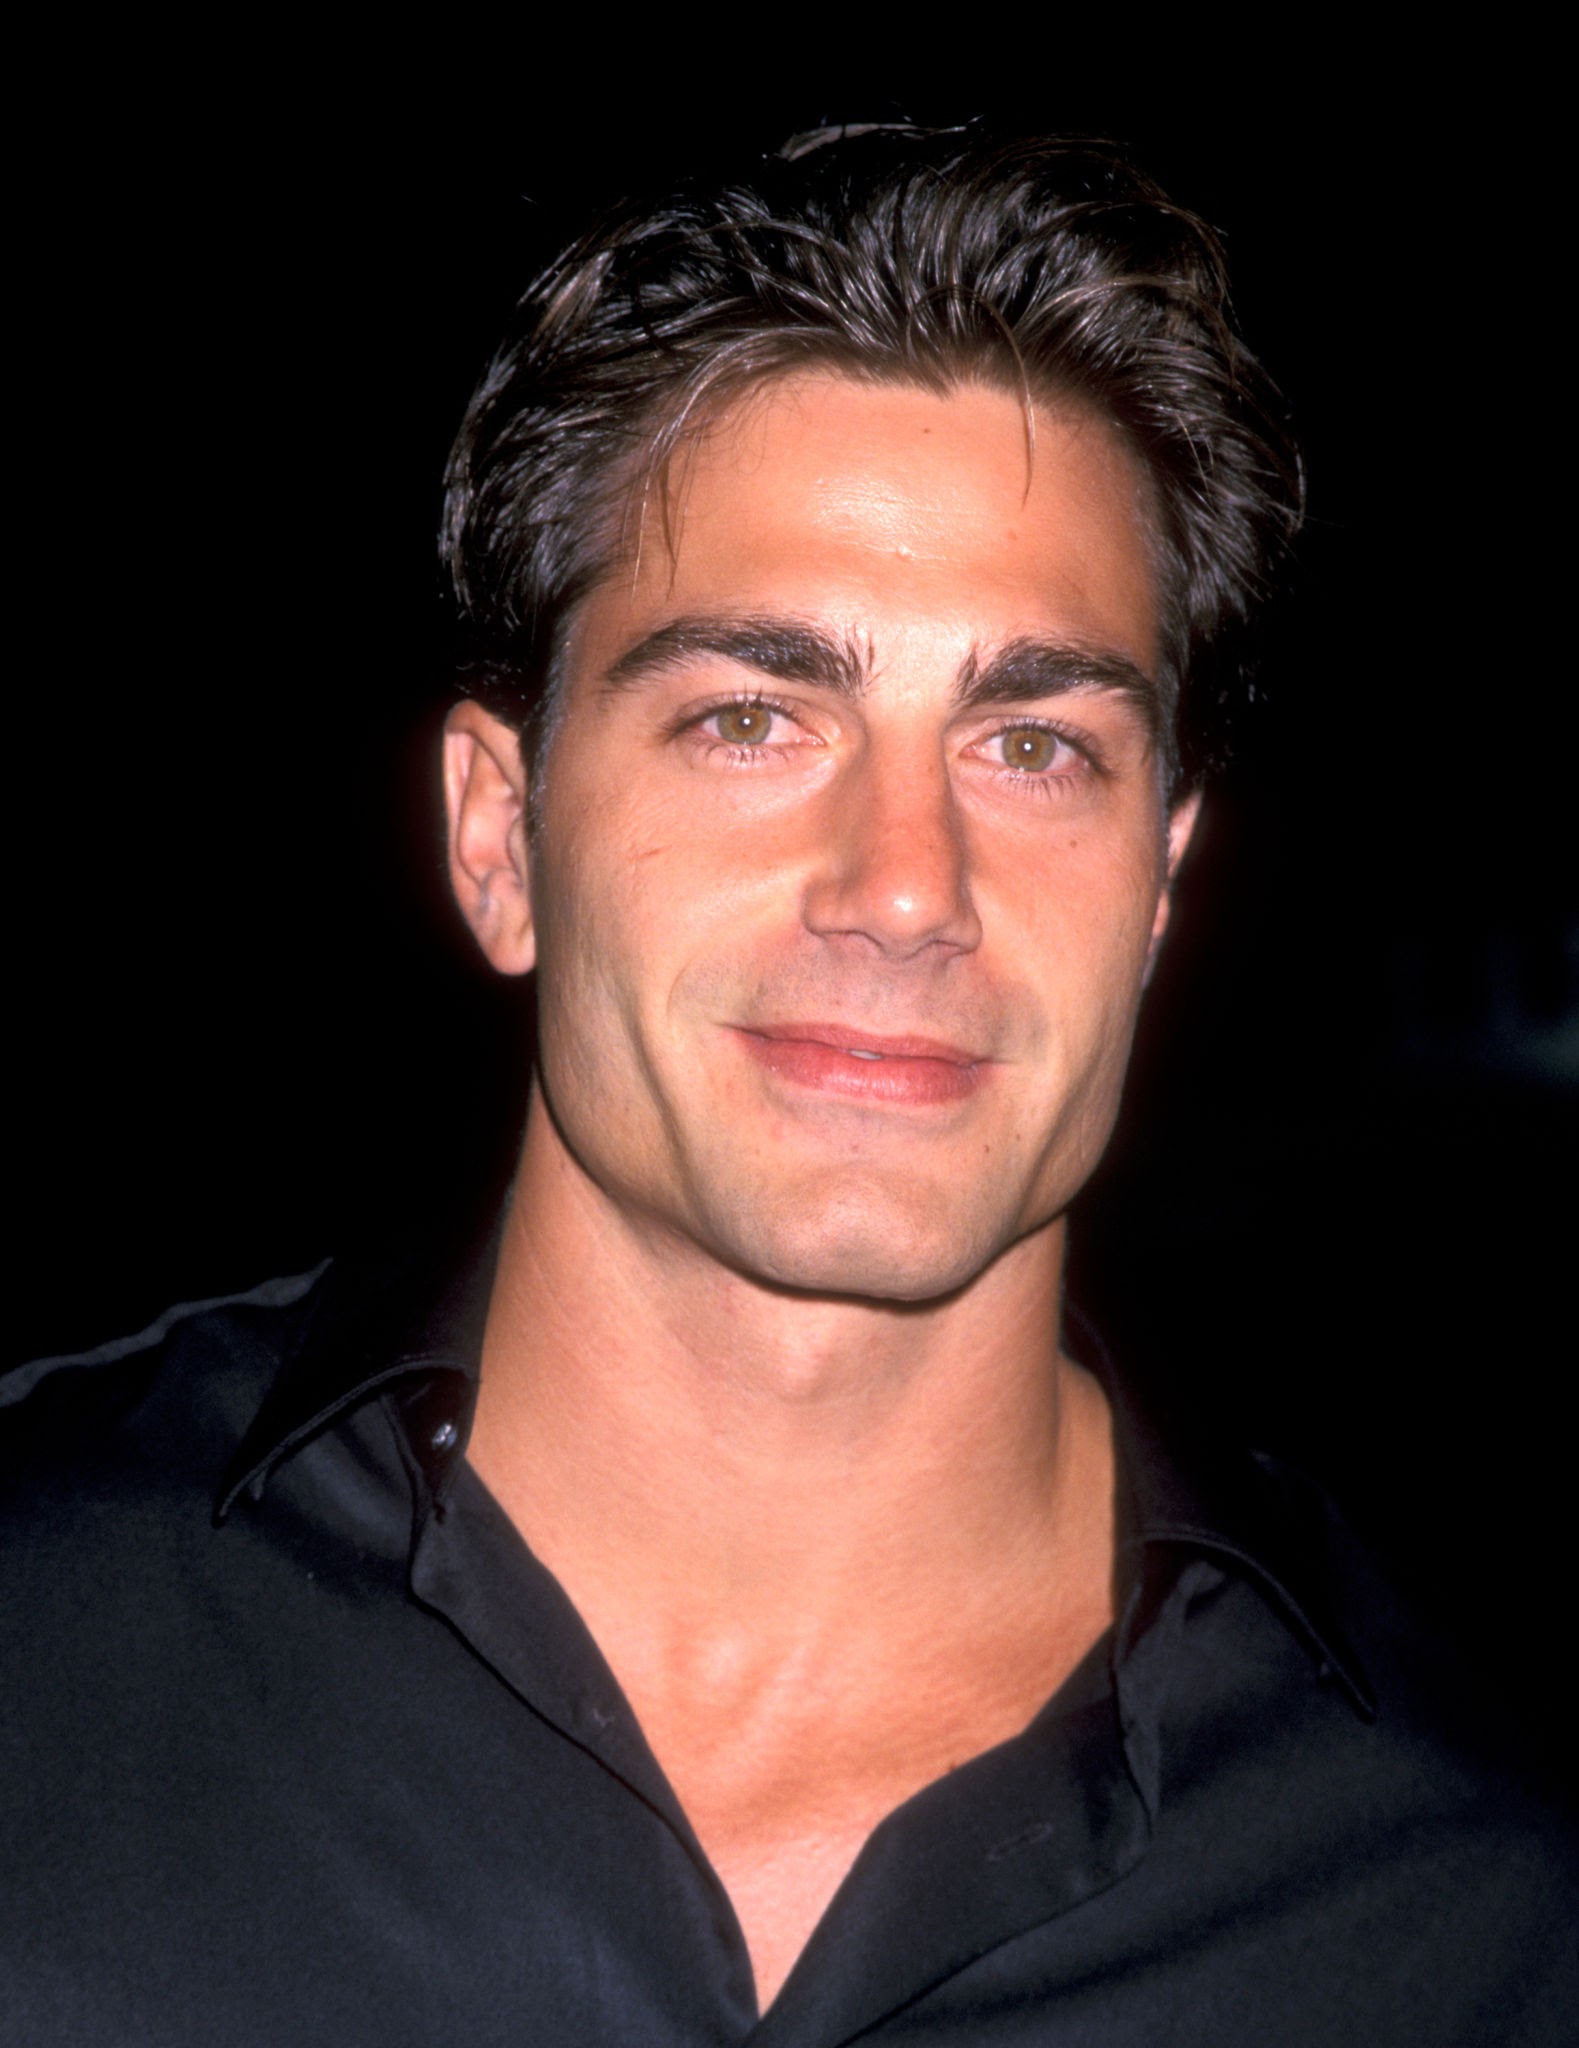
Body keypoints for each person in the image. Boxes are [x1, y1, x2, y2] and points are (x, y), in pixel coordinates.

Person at [5, 125, 1572, 2046]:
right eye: (753, 718)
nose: (907, 885)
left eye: (1035, 746)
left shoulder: (1478, 1920)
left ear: (1160, 890)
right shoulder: (37, 1652)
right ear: (499, 836)